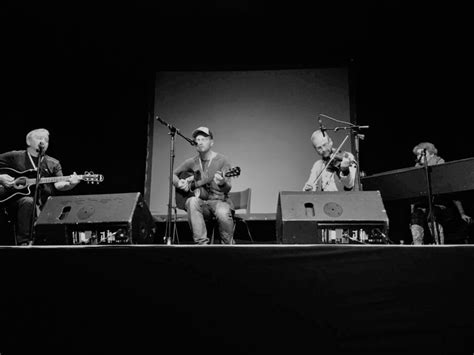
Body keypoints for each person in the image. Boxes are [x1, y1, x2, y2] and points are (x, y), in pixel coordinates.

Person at [0, 128, 80, 245]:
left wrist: (71, 184)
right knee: (28, 202)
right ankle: (25, 242)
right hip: (14, 201)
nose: (43, 141)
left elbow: (59, 185)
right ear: (28, 141)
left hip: (43, 203)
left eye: (46, 140)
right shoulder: (15, 156)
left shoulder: (53, 163)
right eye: (39, 138)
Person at [173, 126, 235, 245]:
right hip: (202, 204)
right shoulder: (191, 162)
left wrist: (222, 183)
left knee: (222, 212)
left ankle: (228, 246)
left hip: (219, 201)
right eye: (197, 139)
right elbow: (173, 175)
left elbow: (228, 188)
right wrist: (179, 183)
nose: (199, 142)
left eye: (203, 139)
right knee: (192, 201)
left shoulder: (222, 160)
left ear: (211, 142)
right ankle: (201, 245)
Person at [410, 142, 472, 245]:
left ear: (430, 153)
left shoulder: (440, 162)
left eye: (420, 154)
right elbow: (413, 194)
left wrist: (462, 213)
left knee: (432, 214)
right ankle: (417, 246)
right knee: (416, 216)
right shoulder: (417, 167)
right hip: (423, 204)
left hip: (440, 204)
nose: (418, 157)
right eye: (417, 154)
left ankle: (439, 246)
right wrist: (412, 211)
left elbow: (451, 190)